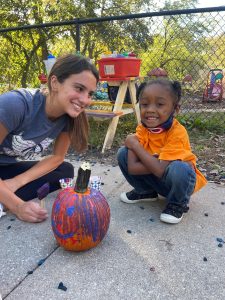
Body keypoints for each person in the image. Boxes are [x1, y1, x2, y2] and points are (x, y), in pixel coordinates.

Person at [0, 54, 99, 223]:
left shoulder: (69, 117)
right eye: (79, 88)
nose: (85, 100)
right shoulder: (16, 105)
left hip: (5, 168)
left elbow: (57, 157)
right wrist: (18, 206)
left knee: (64, 171)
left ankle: (4, 197)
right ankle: (7, 200)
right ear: (54, 83)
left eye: (90, 94)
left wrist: (16, 182)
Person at [117, 78, 207, 224]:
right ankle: (145, 191)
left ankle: (177, 204)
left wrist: (137, 147)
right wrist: (155, 161)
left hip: (178, 183)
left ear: (175, 109)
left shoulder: (177, 132)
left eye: (160, 104)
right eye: (145, 104)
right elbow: (132, 168)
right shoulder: (142, 129)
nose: (150, 109)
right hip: (157, 179)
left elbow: (159, 170)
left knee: (179, 168)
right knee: (123, 153)